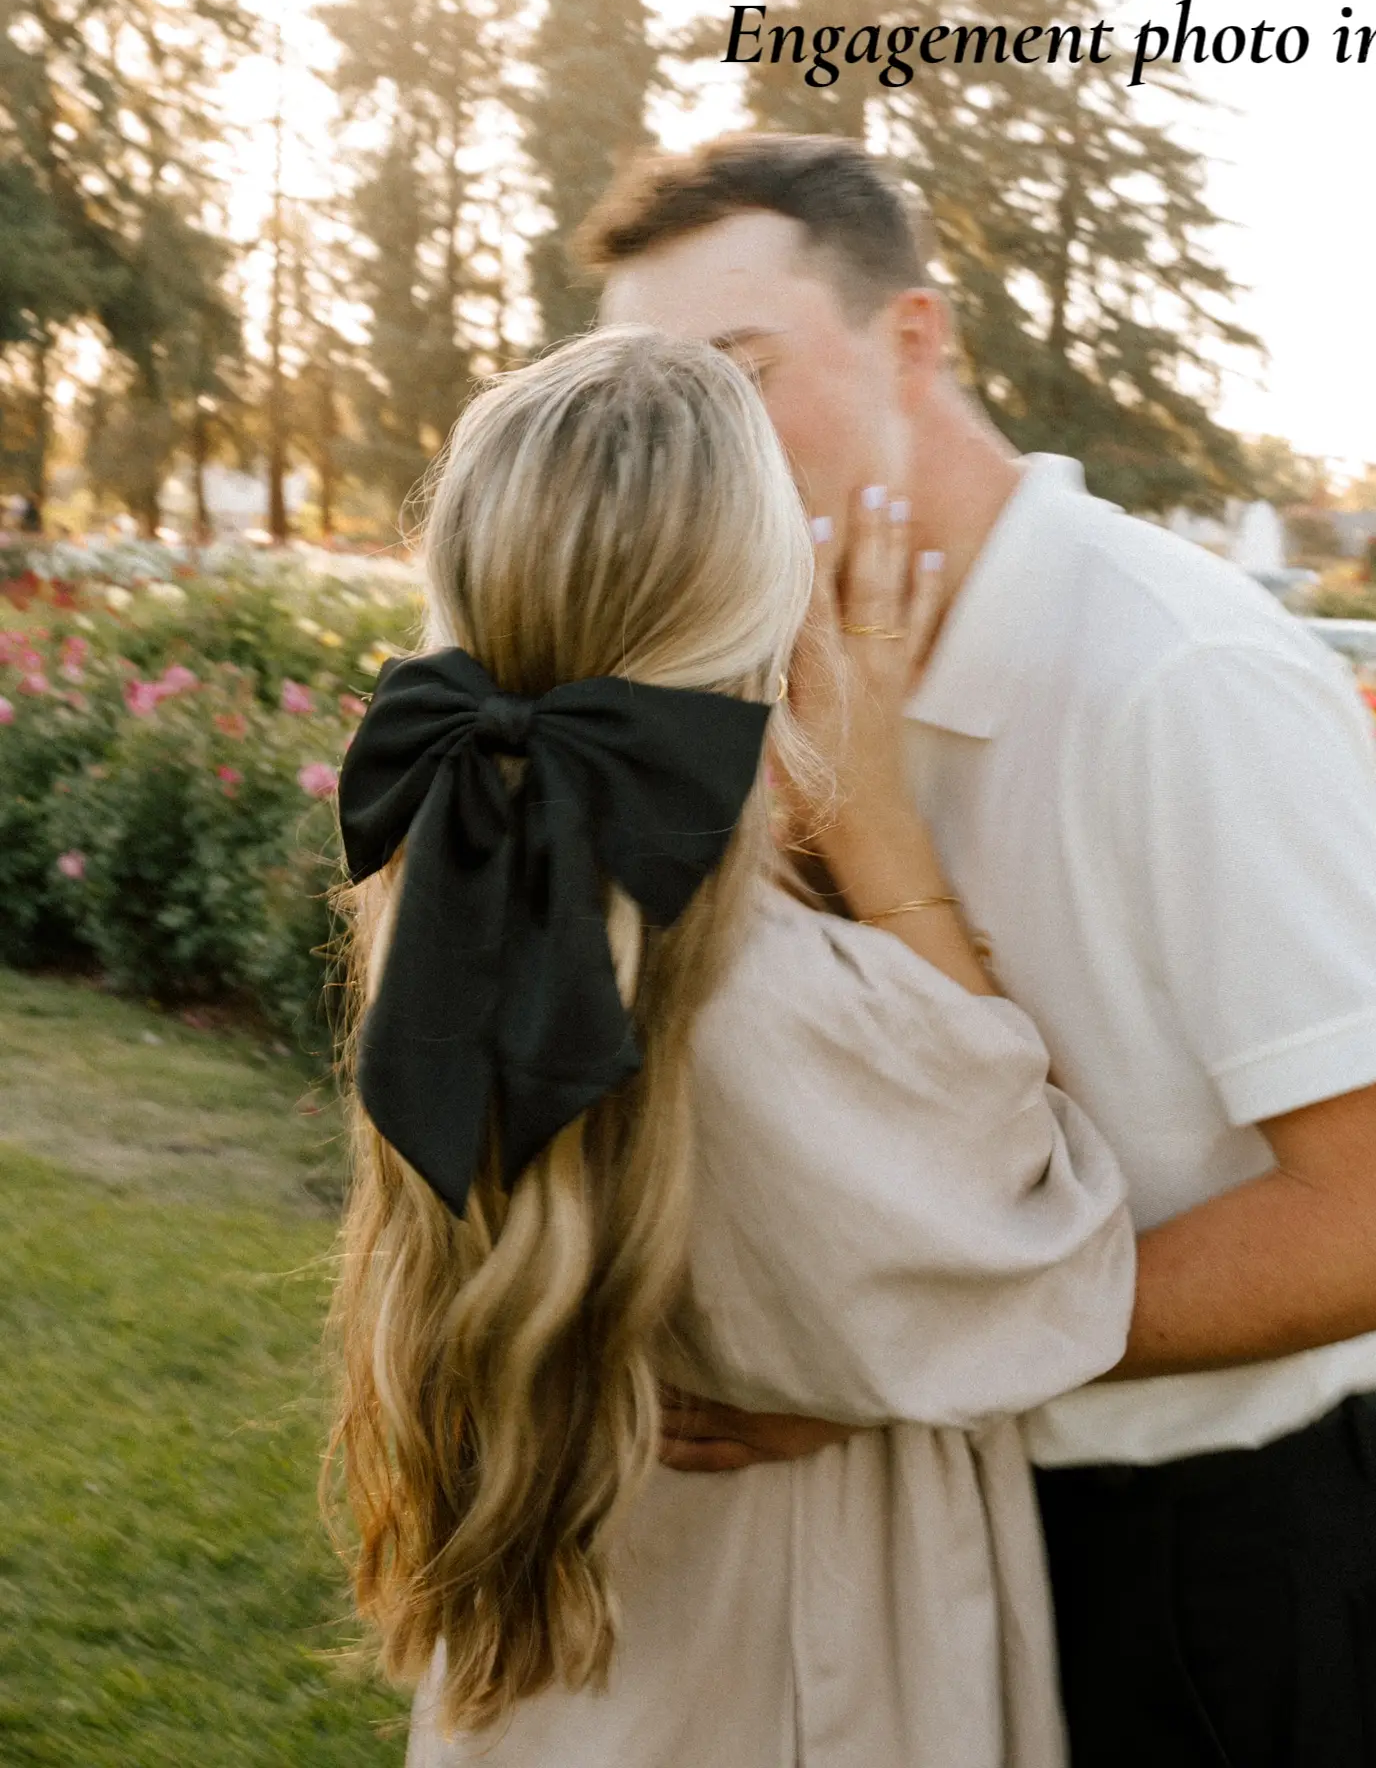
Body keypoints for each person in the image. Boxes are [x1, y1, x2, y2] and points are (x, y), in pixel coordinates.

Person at [579, 132, 1376, 1767]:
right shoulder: (758, 664)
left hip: (1216, 1547)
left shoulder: (1177, 675)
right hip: (925, 1521)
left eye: (740, 377)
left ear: (912, 341)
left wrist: (903, 1354)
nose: (690, 457)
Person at [328, 327, 1134, 1768]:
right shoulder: (777, 1007)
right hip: (784, 1674)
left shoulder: (459, 918)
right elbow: (1047, 1224)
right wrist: (879, 823)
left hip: (562, 1681)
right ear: (775, 619)